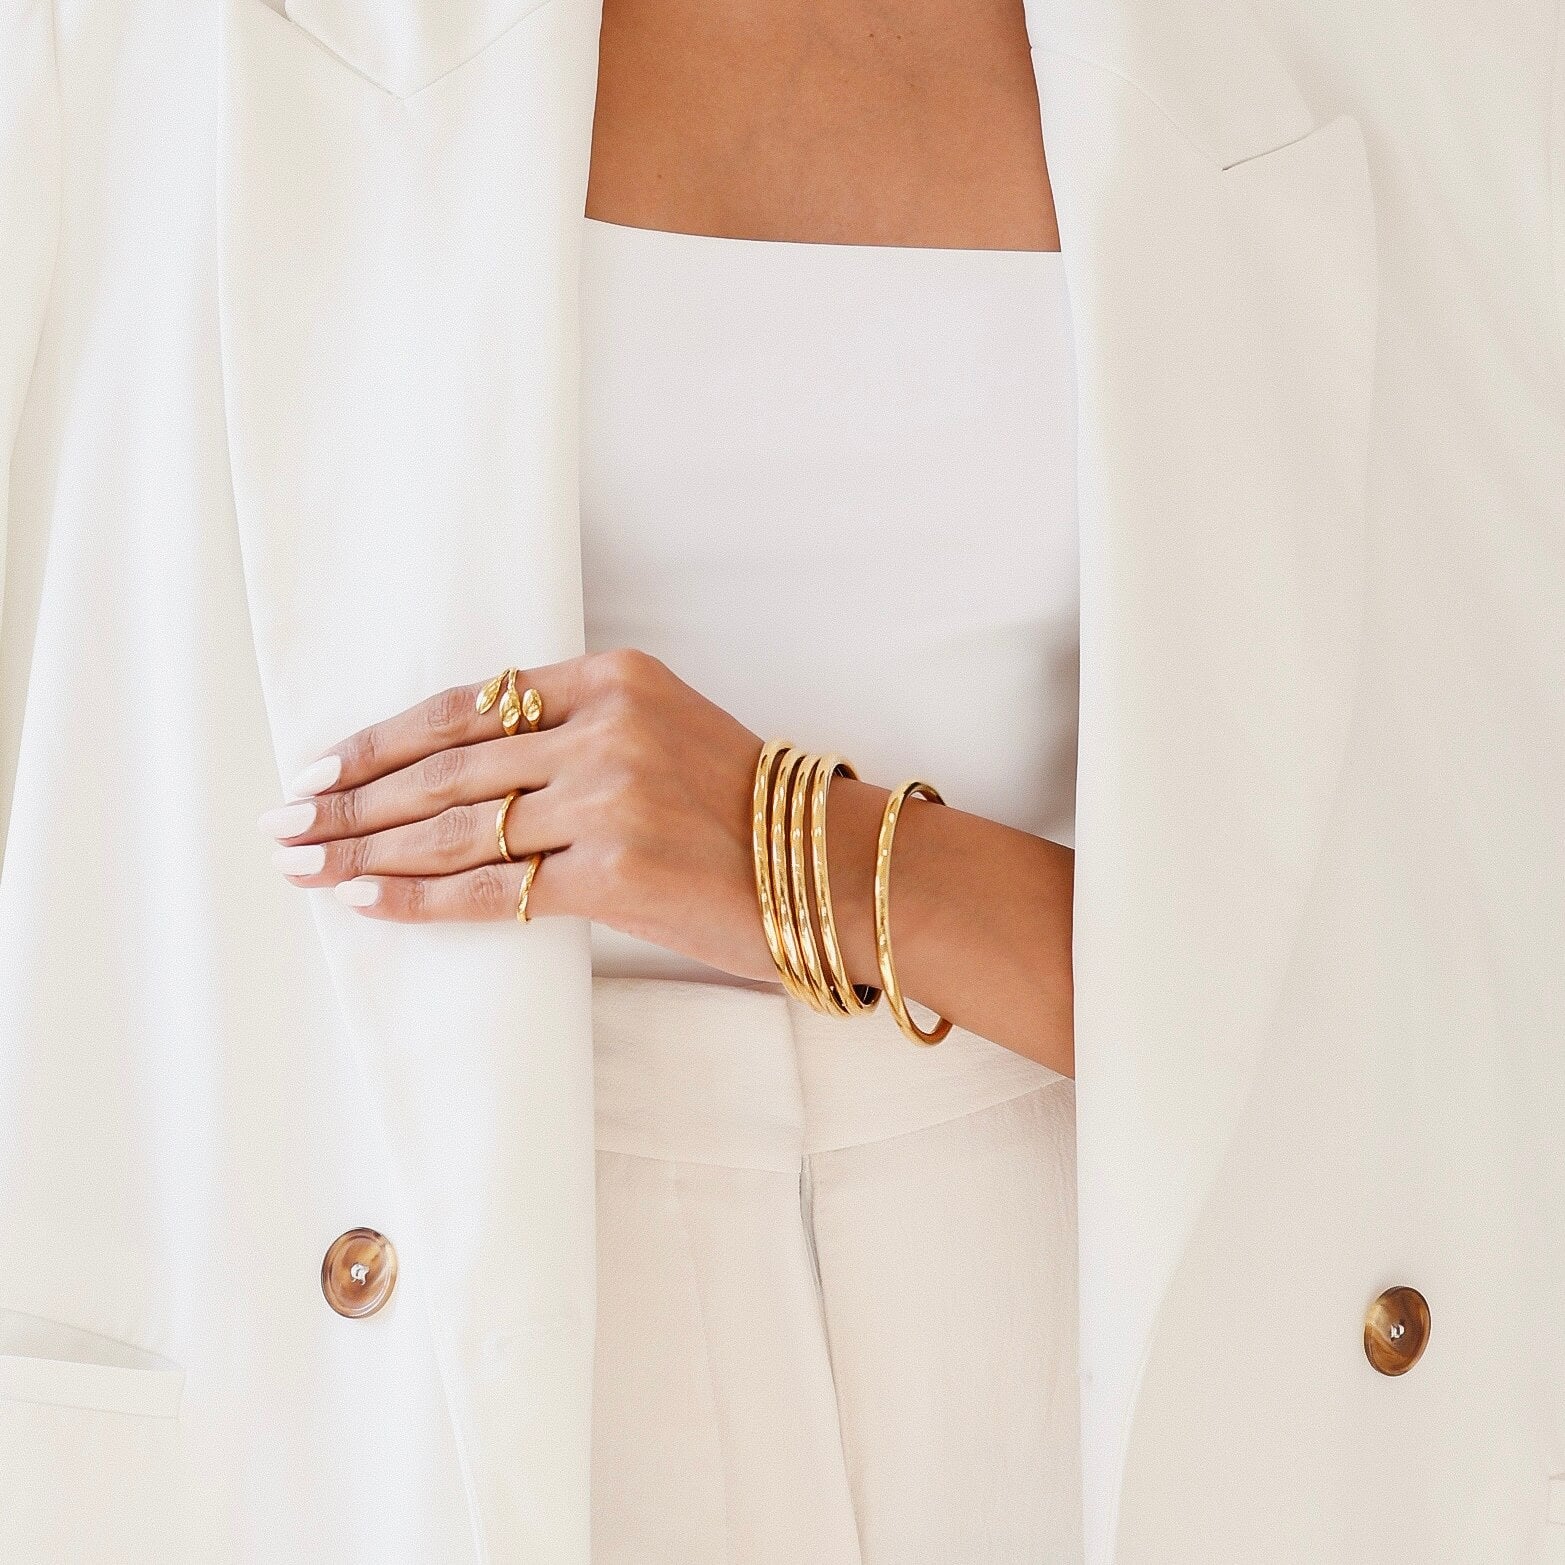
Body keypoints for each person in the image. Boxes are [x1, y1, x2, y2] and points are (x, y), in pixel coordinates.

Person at [4, 0, 1563, 1561]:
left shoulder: (1447, 63)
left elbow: (1470, 974)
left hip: (1102, 1324)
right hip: (377, 1345)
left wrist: (821, 857)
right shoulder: (126, 47)